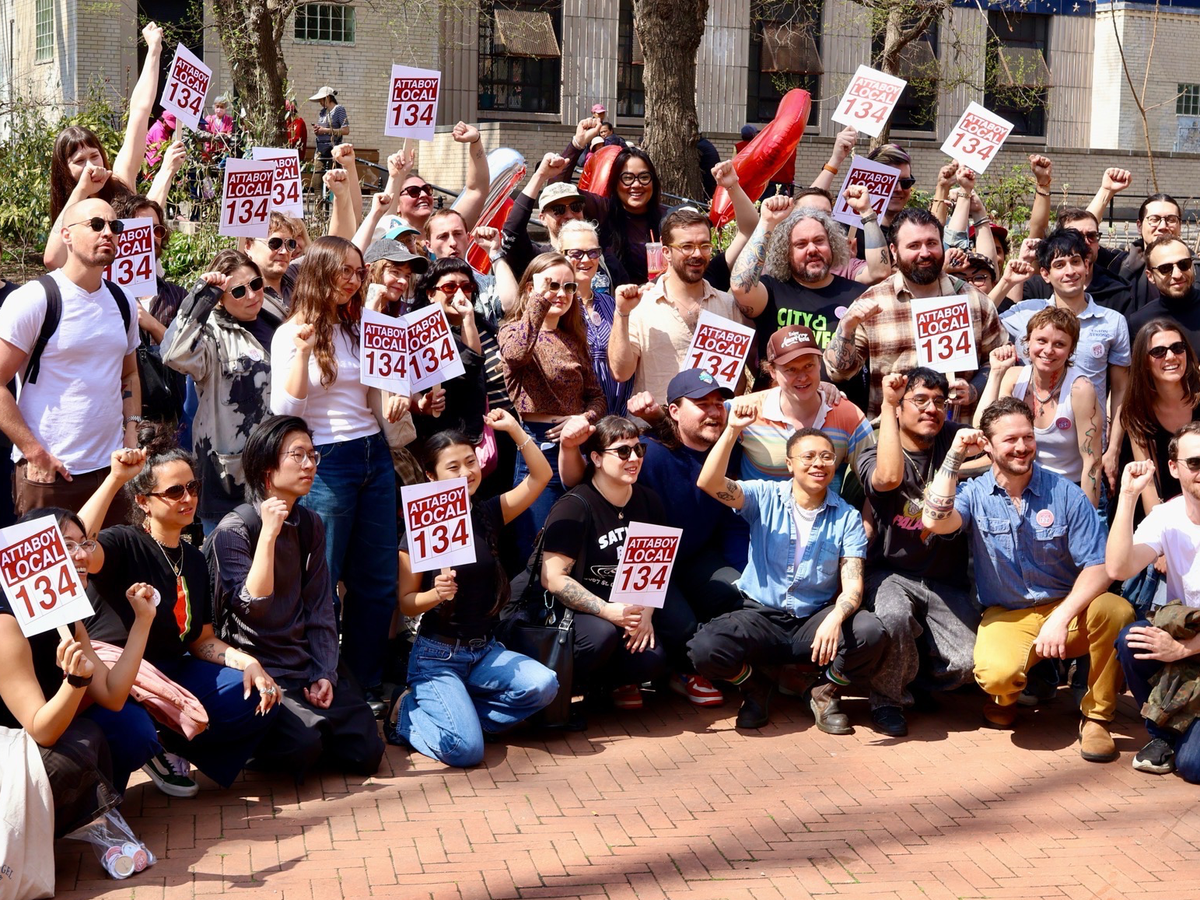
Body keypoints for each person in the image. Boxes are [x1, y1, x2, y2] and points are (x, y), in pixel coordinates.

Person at [921, 397, 1134, 761]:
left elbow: (1099, 565)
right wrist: (955, 455)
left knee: (1118, 611)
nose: (1022, 447)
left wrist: (1060, 618)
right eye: (1010, 439)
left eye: (1028, 437)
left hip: (1070, 610)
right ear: (988, 446)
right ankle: (1006, 696)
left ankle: (1097, 717)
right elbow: (934, 520)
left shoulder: (1065, 492)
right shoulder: (974, 494)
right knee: (995, 675)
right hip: (1008, 613)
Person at [84, 431, 283, 789]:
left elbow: (201, 640)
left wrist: (249, 663)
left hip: (173, 671)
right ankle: (144, 747)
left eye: (192, 487)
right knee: (133, 734)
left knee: (255, 694)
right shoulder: (123, 542)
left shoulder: (193, 558)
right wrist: (115, 479)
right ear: (144, 502)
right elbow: (76, 546)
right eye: (175, 491)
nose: (188, 498)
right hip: (117, 677)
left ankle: (169, 745)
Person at [207, 416, 384, 778]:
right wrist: (269, 536)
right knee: (302, 748)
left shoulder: (310, 523)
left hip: (302, 665)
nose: (309, 465)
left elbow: (320, 607)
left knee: (367, 751)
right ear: (267, 468)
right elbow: (253, 608)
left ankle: (314, 726)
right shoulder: (234, 530)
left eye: (313, 455)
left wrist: (324, 673)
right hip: (259, 670)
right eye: (298, 455)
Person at [270, 236, 402, 712]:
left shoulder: (367, 324)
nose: (353, 279)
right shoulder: (291, 332)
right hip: (325, 460)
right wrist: (305, 352)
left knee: (378, 579)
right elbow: (285, 410)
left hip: (374, 454)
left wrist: (400, 398)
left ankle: (364, 684)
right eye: (344, 270)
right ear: (320, 272)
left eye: (358, 271)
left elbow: (384, 390)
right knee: (323, 580)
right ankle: (319, 677)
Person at [692, 417, 885, 732]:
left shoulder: (847, 517)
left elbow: (853, 585)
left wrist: (835, 618)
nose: (818, 463)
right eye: (808, 456)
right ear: (789, 464)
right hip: (760, 616)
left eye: (826, 456)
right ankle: (756, 687)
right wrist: (732, 430)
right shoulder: (764, 496)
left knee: (870, 631)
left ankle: (824, 692)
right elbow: (710, 483)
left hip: (813, 620)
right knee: (705, 648)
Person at [389, 412, 559, 766]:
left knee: (544, 686)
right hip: (436, 657)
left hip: (485, 651)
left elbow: (542, 476)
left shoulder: (489, 512)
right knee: (465, 751)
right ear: (431, 475)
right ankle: (406, 713)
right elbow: (406, 603)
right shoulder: (418, 529)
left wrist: (514, 429)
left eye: (471, 461)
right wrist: (435, 594)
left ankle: (463, 716)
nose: (466, 472)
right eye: (453, 467)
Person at [0, 496, 161, 826]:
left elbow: (113, 695)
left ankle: (96, 816)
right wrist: (75, 683)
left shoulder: (67, 615)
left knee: (129, 728)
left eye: (85, 543)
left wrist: (143, 622)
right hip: (11, 744)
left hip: (41, 733)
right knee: (82, 742)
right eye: (68, 545)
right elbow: (42, 730)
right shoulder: (6, 622)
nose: (84, 555)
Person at [0, 198, 140, 524]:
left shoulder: (123, 301)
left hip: (111, 473)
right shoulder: (34, 299)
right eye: (96, 225)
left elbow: (130, 374)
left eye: (115, 226)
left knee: (108, 559)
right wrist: (34, 452)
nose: (108, 232)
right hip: (48, 475)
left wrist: (131, 431)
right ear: (66, 235)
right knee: (51, 560)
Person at [856, 370, 978, 737]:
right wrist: (888, 403)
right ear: (899, 408)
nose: (931, 409)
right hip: (890, 573)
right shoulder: (875, 450)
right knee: (893, 616)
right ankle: (887, 700)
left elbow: (990, 445)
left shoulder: (950, 437)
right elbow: (888, 479)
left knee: (969, 663)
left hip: (945, 578)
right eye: (920, 400)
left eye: (939, 402)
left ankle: (913, 677)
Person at [824, 208, 1006, 419]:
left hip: (960, 431)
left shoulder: (976, 301)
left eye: (932, 243)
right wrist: (847, 328)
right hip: (892, 431)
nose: (925, 253)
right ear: (894, 251)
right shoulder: (872, 302)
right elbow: (839, 373)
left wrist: (973, 389)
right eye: (914, 245)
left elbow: (999, 360)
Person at [541, 417, 669, 713]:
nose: (634, 458)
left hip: (622, 604)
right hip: (573, 610)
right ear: (596, 458)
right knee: (600, 636)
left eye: (638, 449)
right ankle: (562, 691)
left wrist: (644, 613)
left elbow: (651, 571)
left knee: (651, 659)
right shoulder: (575, 505)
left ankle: (606, 685)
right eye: (623, 451)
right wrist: (608, 611)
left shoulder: (649, 501)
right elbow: (552, 578)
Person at [162, 250, 287, 532]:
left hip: (277, 464)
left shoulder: (277, 318)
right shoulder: (210, 333)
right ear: (221, 298)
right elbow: (173, 353)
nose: (251, 295)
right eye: (238, 291)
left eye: (255, 284)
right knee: (227, 554)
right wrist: (202, 296)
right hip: (230, 477)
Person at [1001, 229, 1131, 488]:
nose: (1070, 271)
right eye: (1059, 265)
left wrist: (1114, 448)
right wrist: (1006, 282)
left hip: (1088, 456)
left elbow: (1120, 389)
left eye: (1075, 262)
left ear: (1087, 266)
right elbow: (977, 319)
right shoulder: (1027, 313)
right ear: (1045, 274)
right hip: (1029, 456)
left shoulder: (1113, 321)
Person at [500, 253, 605, 553]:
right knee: (535, 543)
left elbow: (597, 397)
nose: (561, 293)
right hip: (537, 447)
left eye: (569, 286)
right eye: (551, 285)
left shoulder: (573, 339)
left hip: (579, 446)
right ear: (530, 288)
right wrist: (538, 299)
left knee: (577, 540)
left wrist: (584, 418)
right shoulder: (510, 331)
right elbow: (517, 354)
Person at [1109, 437, 1200, 779]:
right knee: (1133, 639)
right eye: (1195, 463)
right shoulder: (1167, 516)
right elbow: (1119, 568)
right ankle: (1163, 734)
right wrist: (1128, 497)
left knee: (1193, 767)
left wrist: (1184, 649)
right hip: (1188, 636)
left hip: (1189, 645)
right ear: (1174, 468)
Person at [45, 22, 164, 271]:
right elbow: (53, 259)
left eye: (94, 156)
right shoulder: (69, 212)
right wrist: (82, 191)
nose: (91, 165)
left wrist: (154, 50)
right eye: (79, 161)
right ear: (64, 170)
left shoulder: (120, 183)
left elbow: (140, 112)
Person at [730, 199, 872, 404]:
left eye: (819, 241)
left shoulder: (858, 294)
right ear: (786, 252)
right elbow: (740, 286)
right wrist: (766, 222)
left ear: (832, 245)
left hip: (841, 412)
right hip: (775, 412)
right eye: (801, 244)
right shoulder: (771, 290)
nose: (812, 249)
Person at [608, 207, 748, 406]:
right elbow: (620, 373)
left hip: (713, 421)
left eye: (704, 245)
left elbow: (738, 384)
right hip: (655, 422)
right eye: (687, 246)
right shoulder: (641, 306)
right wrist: (621, 313)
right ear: (666, 252)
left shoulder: (728, 305)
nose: (697, 254)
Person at [978, 308, 1102, 507]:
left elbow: (1092, 462)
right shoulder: (1014, 378)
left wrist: (1087, 514)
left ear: (1071, 350)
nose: (1048, 350)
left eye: (1059, 344)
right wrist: (996, 373)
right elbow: (981, 428)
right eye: (1041, 341)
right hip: (1023, 488)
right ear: (1028, 342)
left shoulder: (1080, 389)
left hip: (1071, 490)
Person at [733, 325, 874, 489]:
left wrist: (889, 408)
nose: (802, 377)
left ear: (819, 363)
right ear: (772, 371)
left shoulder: (847, 414)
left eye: (808, 366)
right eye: (791, 369)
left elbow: (876, 479)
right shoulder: (747, 410)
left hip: (826, 505)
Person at [499, 156, 628, 287]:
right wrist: (540, 176)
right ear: (542, 218)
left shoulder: (605, 261)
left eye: (575, 207)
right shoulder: (538, 259)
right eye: (558, 210)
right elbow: (512, 233)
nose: (569, 215)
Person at [1117, 320, 1200, 517]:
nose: (1171, 356)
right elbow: (1149, 483)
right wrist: (1161, 528)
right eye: (1159, 352)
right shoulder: (1138, 412)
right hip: (1170, 510)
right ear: (1144, 361)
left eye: (1177, 348)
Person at [409, 257, 489, 451]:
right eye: (450, 287)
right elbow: (468, 368)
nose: (459, 294)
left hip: (475, 436)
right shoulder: (417, 331)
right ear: (430, 294)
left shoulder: (484, 327)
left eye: (466, 287)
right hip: (438, 440)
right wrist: (467, 317)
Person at [559, 220, 632, 416]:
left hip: (617, 418)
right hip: (576, 418)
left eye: (593, 252)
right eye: (576, 253)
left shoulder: (611, 303)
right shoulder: (556, 307)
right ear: (560, 255)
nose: (586, 260)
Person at [1088, 170, 1182, 314]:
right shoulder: (1118, 264)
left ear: (1180, 225)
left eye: (1171, 220)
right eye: (1154, 219)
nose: (1163, 226)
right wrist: (1106, 191)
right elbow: (1077, 238)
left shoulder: (1195, 270)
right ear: (1139, 226)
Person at [1021, 208, 1132, 316]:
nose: (1085, 242)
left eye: (1091, 236)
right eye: (1076, 236)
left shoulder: (1118, 293)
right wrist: (1022, 262)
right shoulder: (1036, 287)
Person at [1130, 236, 1200, 353]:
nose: (1177, 275)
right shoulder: (1140, 322)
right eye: (1165, 268)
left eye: (1184, 264)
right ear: (1150, 276)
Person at [240, 213, 300, 306]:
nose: (284, 251)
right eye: (275, 243)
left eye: (290, 244)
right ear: (248, 246)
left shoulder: (295, 278)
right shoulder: (241, 295)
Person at [308, 86, 349, 192]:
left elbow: (345, 130)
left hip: (333, 149)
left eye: (321, 100)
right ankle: (319, 202)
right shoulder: (322, 112)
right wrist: (318, 130)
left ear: (328, 98)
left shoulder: (339, 109)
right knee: (317, 181)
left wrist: (325, 130)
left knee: (335, 181)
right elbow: (323, 129)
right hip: (321, 149)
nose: (320, 103)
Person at [201, 96, 235, 163]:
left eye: (222, 107)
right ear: (214, 107)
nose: (219, 109)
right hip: (210, 152)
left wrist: (223, 135)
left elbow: (229, 134)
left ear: (225, 108)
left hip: (224, 152)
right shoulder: (209, 119)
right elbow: (205, 133)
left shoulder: (229, 120)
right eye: (217, 106)